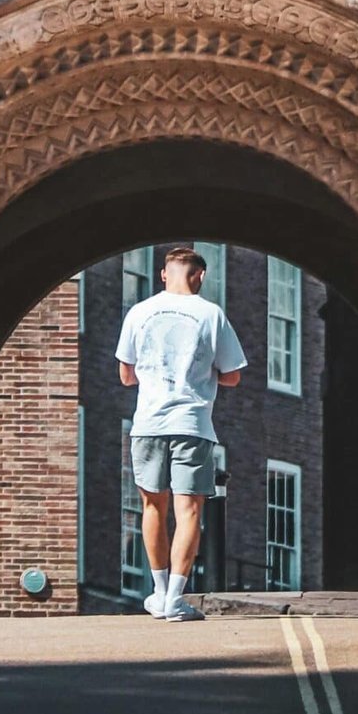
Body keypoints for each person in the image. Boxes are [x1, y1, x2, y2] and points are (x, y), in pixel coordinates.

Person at [116, 246, 247, 622]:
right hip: (192, 424)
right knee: (189, 510)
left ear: (163, 274)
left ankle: (158, 593)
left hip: (148, 424)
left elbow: (126, 375)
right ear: (200, 275)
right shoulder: (211, 314)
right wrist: (202, 374)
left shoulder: (139, 312)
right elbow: (233, 375)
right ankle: (175, 598)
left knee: (152, 507)